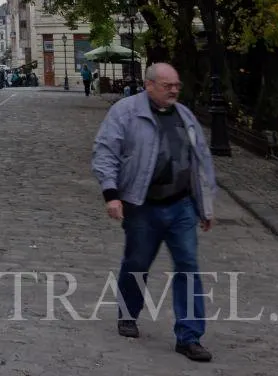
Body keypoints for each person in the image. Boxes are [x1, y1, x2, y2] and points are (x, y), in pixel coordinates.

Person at [91, 62, 217, 363]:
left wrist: (206, 206)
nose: (174, 90)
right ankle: (127, 313)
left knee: (188, 265)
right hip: (142, 204)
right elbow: (104, 151)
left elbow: (202, 161)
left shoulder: (185, 116)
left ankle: (189, 336)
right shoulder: (125, 112)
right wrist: (111, 194)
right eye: (167, 85)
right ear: (149, 85)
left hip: (181, 205)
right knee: (137, 261)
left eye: (176, 85)